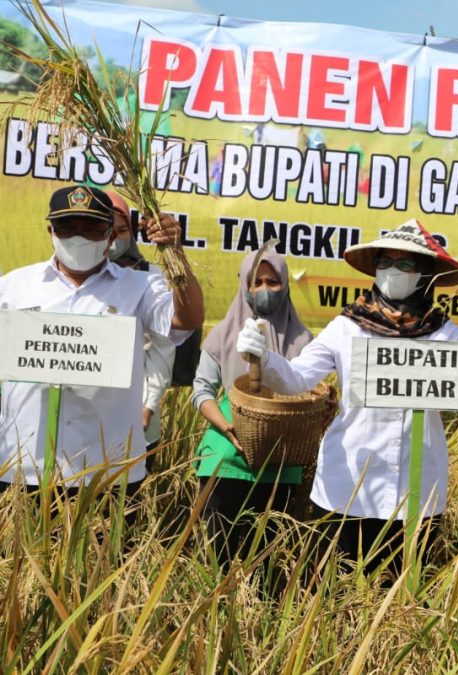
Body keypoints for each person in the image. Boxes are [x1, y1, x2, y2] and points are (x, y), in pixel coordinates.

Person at [235, 219, 458, 578]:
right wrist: (264, 357)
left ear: (425, 274)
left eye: (405, 264)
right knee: (331, 593)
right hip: (345, 486)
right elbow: (297, 379)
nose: (392, 271)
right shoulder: (348, 326)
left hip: (415, 492)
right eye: (385, 262)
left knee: (402, 599)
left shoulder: (445, 335)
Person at [0, 185, 203, 495]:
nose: (78, 237)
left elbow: (186, 319)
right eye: (67, 228)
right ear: (50, 231)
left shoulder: (142, 286)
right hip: (22, 467)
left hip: (107, 469)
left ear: (111, 236)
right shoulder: (14, 286)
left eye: (92, 228)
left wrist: (175, 252)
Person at [191, 249, 313, 566]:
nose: (264, 289)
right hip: (225, 456)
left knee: (269, 565)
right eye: (256, 281)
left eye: (272, 282)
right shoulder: (223, 334)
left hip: (281, 459)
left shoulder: (303, 340)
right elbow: (201, 390)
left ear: (285, 285)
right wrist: (228, 427)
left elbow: (309, 394)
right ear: (244, 285)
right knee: (219, 559)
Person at [105, 191, 176, 462]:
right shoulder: (77, 280)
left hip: (138, 411)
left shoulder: (150, 278)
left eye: (122, 230)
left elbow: (162, 348)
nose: (114, 240)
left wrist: (149, 403)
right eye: (106, 230)